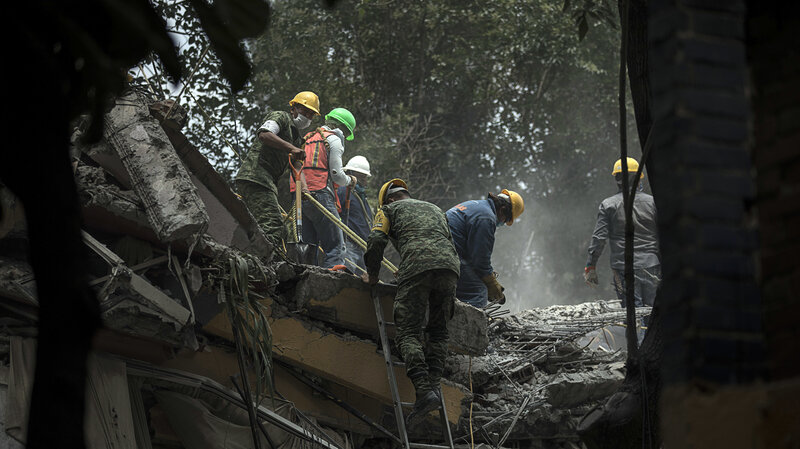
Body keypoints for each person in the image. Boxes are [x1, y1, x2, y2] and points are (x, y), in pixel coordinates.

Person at [361, 178, 460, 427]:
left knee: (407, 333)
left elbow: (375, 242)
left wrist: (373, 273)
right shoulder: (435, 209)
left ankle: (424, 392)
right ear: (406, 194)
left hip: (418, 268)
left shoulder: (387, 210)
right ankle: (434, 390)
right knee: (438, 332)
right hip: (449, 269)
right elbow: (445, 244)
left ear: (390, 199)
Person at [235, 91, 319, 248]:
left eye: (311, 115)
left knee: (278, 230)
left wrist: (305, 189)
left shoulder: (298, 139)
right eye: (304, 111)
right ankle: (257, 265)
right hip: (255, 177)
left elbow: (297, 166)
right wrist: (291, 148)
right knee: (273, 226)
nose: (307, 117)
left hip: (266, 183)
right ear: (293, 108)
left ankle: (249, 256)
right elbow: (264, 135)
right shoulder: (280, 117)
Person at [584, 157, 661, 307]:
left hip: (623, 269)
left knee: (633, 318)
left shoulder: (608, 205)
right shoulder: (653, 203)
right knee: (653, 315)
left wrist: (590, 266)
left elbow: (599, 239)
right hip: (652, 265)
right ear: (639, 178)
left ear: (617, 179)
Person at [290, 107, 357, 268]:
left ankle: (307, 277)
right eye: (346, 134)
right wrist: (350, 180)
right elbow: (337, 175)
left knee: (308, 246)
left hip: (300, 195)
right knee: (336, 245)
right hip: (320, 195)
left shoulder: (307, 137)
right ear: (342, 129)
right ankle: (333, 282)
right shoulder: (333, 140)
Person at [446, 189, 524, 308]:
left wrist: (486, 274)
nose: (503, 223)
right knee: (478, 290)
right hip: (448, 255)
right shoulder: (486, 218)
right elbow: (480, 260)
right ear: (503, 210)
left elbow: (470, 250)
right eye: (506, 220)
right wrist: (490, 282)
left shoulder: (476, 206)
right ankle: (471, 325)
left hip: (443, 250)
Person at [336, 156, 374, 272]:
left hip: (362, 247)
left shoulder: (360, 195)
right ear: (352, 174)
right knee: (346, 278)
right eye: (362, 178)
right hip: (349, 245)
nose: (365, 182)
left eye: (365, 178)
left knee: (361, 284)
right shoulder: (343, 191)